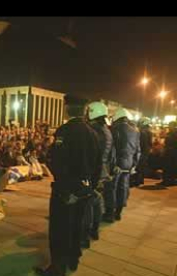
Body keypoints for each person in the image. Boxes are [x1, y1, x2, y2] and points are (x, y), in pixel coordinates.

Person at [35, 97, 101, 276]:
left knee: (60, 229)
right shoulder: (93, 133)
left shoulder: (65, 131)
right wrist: (89, 187)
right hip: (84, 189)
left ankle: (57, 268)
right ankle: (73, 260)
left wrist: (65, 190)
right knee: (77, 226)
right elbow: (98, 165)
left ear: (67, 108)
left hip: (66, 190)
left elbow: (57, 162)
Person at [83, 102, 114, 245]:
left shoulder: (94, 130)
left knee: (88, 203)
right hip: (103, 170)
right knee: (97, 201)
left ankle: (86, 233)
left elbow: (89, 154)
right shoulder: (106, 130)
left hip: (94, 171)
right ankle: (95, 228)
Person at [110, 108, 141, 221]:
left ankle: (110, 212)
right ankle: (119, 211)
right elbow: (138, 149)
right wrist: (134, 165)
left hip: (117, 163)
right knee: (123, 187)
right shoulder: (135, 130)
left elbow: (112, 149)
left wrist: (114, 164)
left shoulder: (115, 129)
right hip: (128, 164)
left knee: (113, 188)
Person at [132, 117, 153, 187]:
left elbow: (141, 143)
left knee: (139, 167)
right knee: (142, 167)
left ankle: (137, 181)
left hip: (142, 151)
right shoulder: (149, 132)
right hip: (146, 152)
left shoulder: (142, 132)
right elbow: (150, 143)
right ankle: (140, 180)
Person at [161, 121, 177, 186]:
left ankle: (170, 181)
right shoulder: (169, 133)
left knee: (171, 167)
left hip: (173, 152)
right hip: (168, 151)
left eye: (170, 125)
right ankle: (165, 180)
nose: (169, 126)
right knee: (166, 166)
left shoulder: (175, 133)